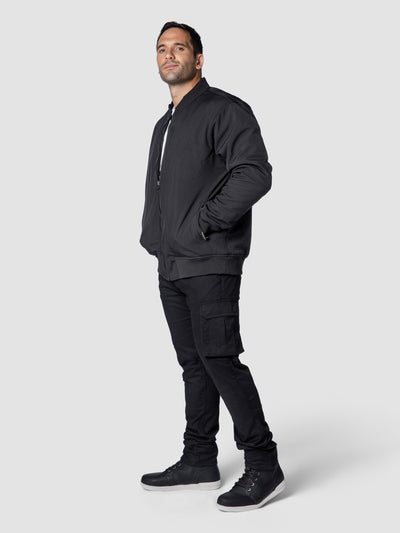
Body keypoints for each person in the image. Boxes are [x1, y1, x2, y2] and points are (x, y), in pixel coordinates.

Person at [139, 21, 285, 512]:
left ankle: (263, 463)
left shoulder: (224, 109)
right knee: (194, 364)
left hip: (209, 261)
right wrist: (158, 241)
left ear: (198, 59)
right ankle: (200, 457)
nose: (169, 54)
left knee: (219, 358)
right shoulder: (165, 123)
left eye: (179, 47)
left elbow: (254, 173)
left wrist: (205, 223)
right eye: (162, 48)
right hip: (172, 264)